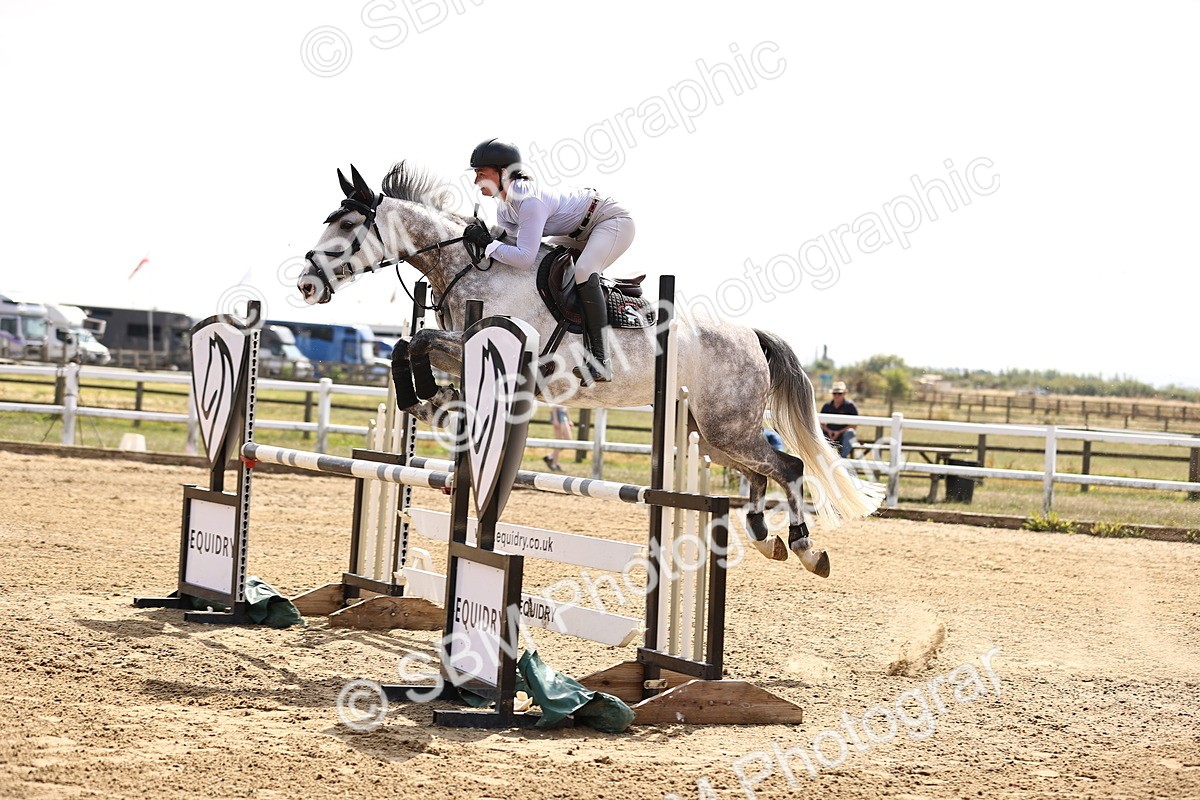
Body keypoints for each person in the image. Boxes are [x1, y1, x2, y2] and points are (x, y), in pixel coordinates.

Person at [462, 138, 636, 384]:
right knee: (548, 265)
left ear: (503, 172)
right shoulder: (505, 208)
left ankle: (600, 360)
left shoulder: (529, 201)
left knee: (584, 270)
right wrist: (485, 239)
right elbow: (510, 251)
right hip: (577, 231)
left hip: (610, 221)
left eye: (481, 173)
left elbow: (523, 257)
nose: (476, 181)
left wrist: (488, 244)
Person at [820, 381, 859, 458]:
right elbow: (821, 423)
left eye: (840, 393)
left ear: (844, 394)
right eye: (835, 393)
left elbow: (854, 425)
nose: (837, 395)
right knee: (818, 431)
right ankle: (822, 458)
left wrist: (839, 432)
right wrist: (828, 431)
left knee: (850, 433)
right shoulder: (827, 406)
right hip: (828, 435)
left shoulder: (850, 406)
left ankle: (842, 459)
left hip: (843, 436)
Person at [542, 405, 573, 472]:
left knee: (568, 441)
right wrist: (555, 419)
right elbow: (555, 404)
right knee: (559, 441)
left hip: (563, 414)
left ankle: (550, 457)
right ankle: (554, 463)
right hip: (558, 414)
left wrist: (569, 419)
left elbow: (566, 405)